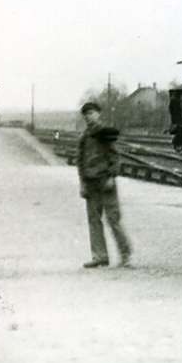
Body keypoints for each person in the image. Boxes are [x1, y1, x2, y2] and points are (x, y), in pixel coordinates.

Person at [77, 101, 132, 268]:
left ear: (98, 114)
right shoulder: (84, 136)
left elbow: (115, 157)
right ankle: (99, 256)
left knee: (113, 219)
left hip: (105, 181)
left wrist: (112, 177)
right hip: (90, 182)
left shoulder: (105, 133)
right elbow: (80, 161)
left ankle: (125, 254)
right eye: (86, 114)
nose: (89, 117)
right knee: (94, 220)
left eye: (92, 113)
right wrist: (82, 183)